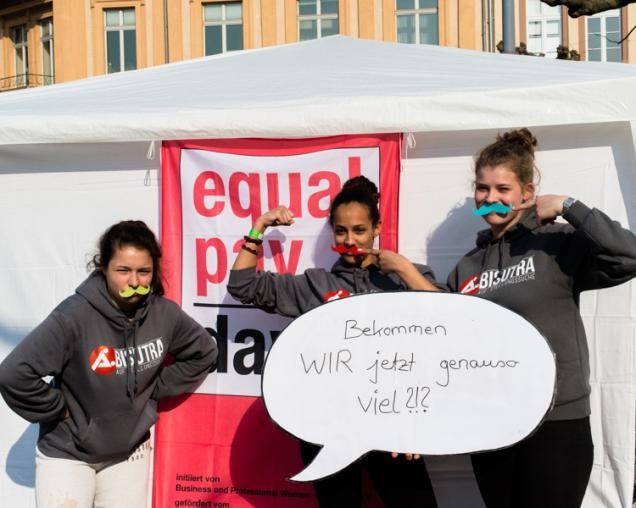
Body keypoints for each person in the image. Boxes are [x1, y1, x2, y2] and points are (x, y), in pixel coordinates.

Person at [447, 128, 636, 508]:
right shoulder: (466, 267)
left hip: (556, 424)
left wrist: (570, 206)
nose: (491, 198)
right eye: (483, 189)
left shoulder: (556, 245)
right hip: (492, 423)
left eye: (503, 189)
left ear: (527, 193)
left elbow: (629, 255)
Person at [228, 175, 444, 507]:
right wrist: (259, 228)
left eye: (359, 230)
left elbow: (452, 319)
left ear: (376, 227)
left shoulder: (404, 277)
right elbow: (242, 286)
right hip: (328, 429)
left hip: (393, 426)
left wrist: (402, 268)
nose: (350, 240)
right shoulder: (315, 284)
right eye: (341, 231)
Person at [0, 220, 218, 508]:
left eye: (144, 271)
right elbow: (13, 374)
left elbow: (204, 352)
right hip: (68, 454)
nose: (135, 282)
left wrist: (151, 390)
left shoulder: (165, 315)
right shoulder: (73, 316)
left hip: (129, 454)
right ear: (103, 268)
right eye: (123, 271)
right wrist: (60, 410)